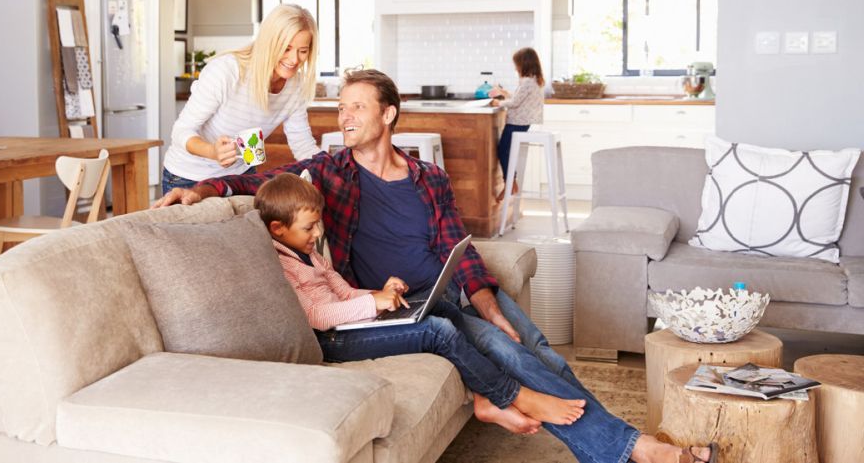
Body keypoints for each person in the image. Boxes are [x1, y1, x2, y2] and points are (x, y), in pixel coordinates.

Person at [153, 69, 718, 463]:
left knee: (534, 346)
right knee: (507, 354)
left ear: (388, 114)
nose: (342, 115)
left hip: (442, 290)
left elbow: (460, 250)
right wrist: (203, 187)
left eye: (355, 106)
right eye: (341, 105)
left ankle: (625, 448)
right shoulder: (330, 171)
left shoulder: (429, 179)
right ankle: (640, 449)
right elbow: (263, 181)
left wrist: (490, 305)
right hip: (398, 304)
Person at [254, 173, 587, 434]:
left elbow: (342, 293)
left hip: (350, 324)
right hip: (332, 340)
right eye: (309, 227)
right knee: (437, 332)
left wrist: (378, 294)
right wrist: (374, 305)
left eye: (318, 225)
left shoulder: (308, 253)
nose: (316, 234)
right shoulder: (282, 264)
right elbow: (315, 316)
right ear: (278, 229)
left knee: (438, 305)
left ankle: (483, 397)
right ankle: (509, 396)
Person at [161, 4, 323, 194]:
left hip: (242, 176)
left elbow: (302, 143)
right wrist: (212, 152)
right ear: (269, 43)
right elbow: (181, 131)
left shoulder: (296, 85)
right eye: (286, 49)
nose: (294, 59)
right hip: (189, 178)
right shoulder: (226, 71)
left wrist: (331, 167)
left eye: (302, 51)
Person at [489, 47, 546, 201]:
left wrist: (497, 103)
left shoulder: (527, 81)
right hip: (523, 122)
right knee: (507, 151)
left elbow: (514, 103)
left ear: (524, 64)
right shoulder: (534, 80)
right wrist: (504, 93)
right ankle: (511, 183)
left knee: (503, 151)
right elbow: (519, 99)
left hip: (517, 122)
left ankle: (510, 184)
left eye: (517, 64)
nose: (515, 67)